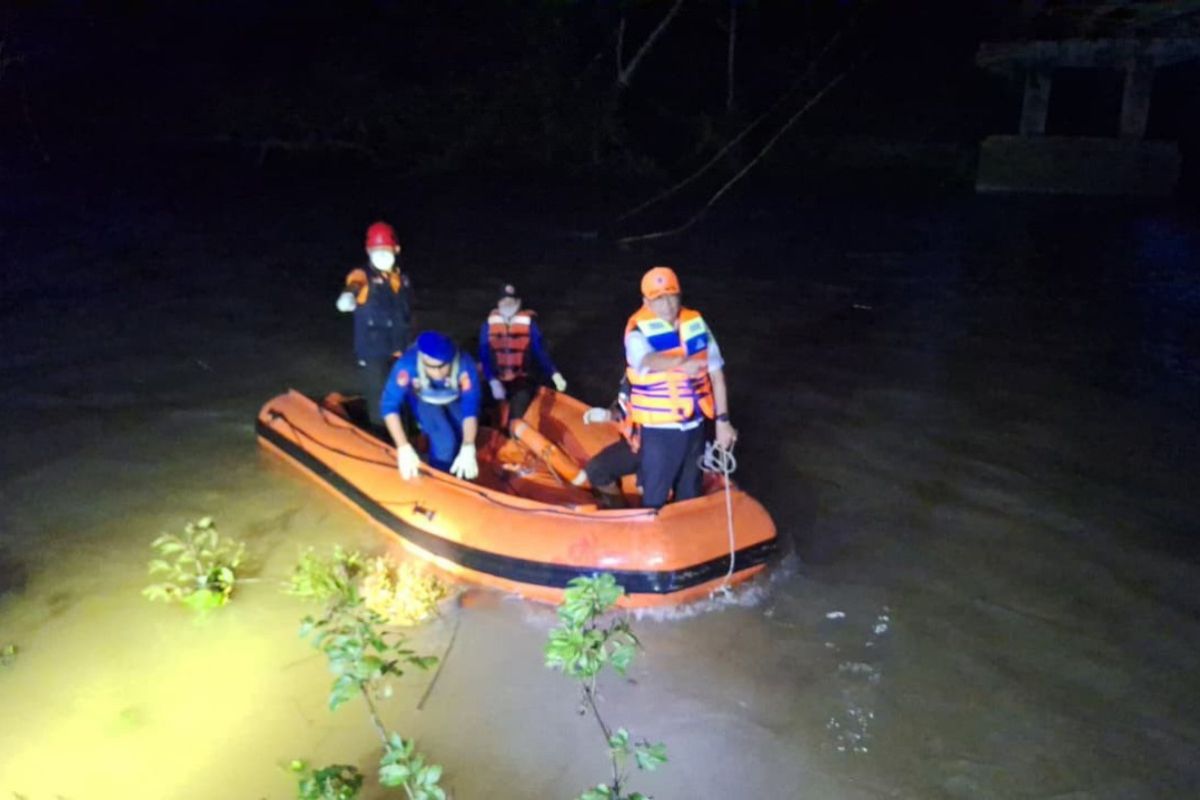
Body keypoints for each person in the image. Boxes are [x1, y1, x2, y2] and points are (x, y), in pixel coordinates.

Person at [624, 266, 736, 509]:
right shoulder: (637, 332)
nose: (667, 305)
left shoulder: (696, 325)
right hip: (659, 430)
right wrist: (681, 363)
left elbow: (716, 374)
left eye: (671, 296)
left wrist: (723, 421)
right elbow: (647, 360)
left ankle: (688, 523)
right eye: (658, 299)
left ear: (679, 295)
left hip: (695, 425)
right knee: (654, 495)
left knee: (690, 490)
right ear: (646, 302)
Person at [335, 221, 414, 428]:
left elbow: (405, 315)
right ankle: (381, 437)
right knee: (379, 401)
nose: (381, 255)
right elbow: (354, 283)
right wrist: (348, 296)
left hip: (398, 350)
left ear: (397, 249)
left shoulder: (401, 278)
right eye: (375, 251)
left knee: (403, 396)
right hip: (373, 353)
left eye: (385, 250)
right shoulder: (363, 275)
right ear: (368, 251)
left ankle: (407, 434)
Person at [381, 331, 482, 481]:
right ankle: (440, 476)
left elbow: (470, 407)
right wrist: (403, 447)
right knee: (445, 441)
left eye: (442, 366)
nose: (438, 372)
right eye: (431, 367)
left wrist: (468, 445)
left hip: (453, 398)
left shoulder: (465, 365)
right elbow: (389, 405)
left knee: (461, 431)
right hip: (423, 400)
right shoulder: (407, 365)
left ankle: (459, 472)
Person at [478, 283, 567, 426]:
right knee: (481, 410)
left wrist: (554, 373)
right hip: (495, 378)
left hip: (520, 379)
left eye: (511, 300)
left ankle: (513, 428)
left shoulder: (529, 325)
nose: (508, 304)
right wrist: (493, 381)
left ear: (518, 302)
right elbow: (484, 356)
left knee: (517, 416)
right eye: (504, 300)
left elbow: (540, 352)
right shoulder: (487, 326)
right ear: (498, 303)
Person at [572, 377, 641, 508]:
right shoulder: (631, 375)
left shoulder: (655, 377)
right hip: (632, 441)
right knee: (599, 468)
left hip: (652, 444)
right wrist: (608, 414)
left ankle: (622, 514)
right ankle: (619, 509)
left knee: (597, 470)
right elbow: (623, 407)